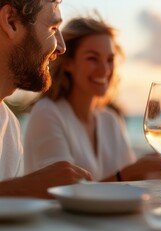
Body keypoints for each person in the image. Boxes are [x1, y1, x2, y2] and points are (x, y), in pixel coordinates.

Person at [23, 15, 161, 181]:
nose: (104, 69)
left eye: (110, 59)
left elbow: (133, 184)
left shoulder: (111, 120)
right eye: (92, 58)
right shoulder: (47, 113)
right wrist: (125, 175)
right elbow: (63, 192)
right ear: (69, 63)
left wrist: (152, 168)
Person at [0, 0, 92, 198]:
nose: (61, 47)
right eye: (53, 28)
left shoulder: (9, 126)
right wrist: (23, 188)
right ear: (11, 22)